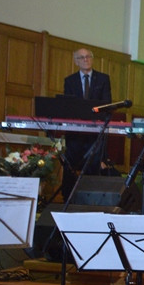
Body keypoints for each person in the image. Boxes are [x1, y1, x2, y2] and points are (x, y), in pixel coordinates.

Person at [61, 48, 112, 198]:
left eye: (88, 57)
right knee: (71, 164)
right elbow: (68, 105)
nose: (85, 60)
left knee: (93, 163)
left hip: (95, 131)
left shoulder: (103, 79)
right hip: (76, 131)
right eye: (81, 58)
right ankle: (69, 197)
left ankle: (92, 197)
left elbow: (106, 103)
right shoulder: (69, 81)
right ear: (76, 61)